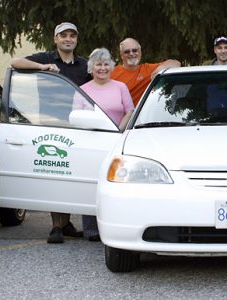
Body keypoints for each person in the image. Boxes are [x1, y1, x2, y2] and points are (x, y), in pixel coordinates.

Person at [11, 22, 89, 244]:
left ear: (76, 40)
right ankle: (56, 226)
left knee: (72, 175)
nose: (68, 39)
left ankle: (66, 223)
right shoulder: (44, 58)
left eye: (72, 35)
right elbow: (15, 62)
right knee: (56, 174)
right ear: (56, 39)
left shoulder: (85, 66)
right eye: (63, 35)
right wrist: (43, 69)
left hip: (78, 127)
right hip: (49, 126)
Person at [73, 48, 134, 241]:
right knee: (92, 184)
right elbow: (76, 117)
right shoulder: (83, 90)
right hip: (90, 143)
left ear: (111, 66)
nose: (102, 68)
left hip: (116, 140)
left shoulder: (120, 87)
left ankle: (119, 227)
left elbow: (129, 111)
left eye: (106, 64)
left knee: (117, 184)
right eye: (98, 64)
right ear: (91, 67)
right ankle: (91, 230)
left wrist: (117, 130)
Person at [110, 38, 181, 106]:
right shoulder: (111, 74)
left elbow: (176, 63)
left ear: (140, 52)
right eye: (127, 52)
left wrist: (159, 70)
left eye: (134, 50)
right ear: (121, 55)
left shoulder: (149, 70)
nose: (131, 53)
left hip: (142, 117)